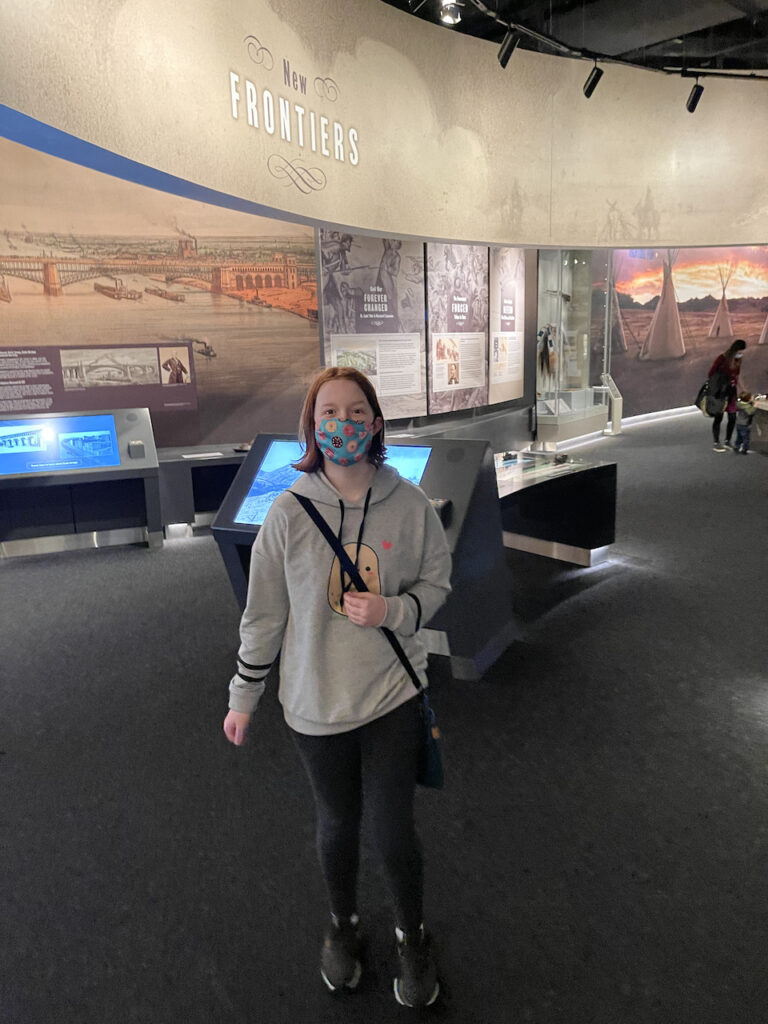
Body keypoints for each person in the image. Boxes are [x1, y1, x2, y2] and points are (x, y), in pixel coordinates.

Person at [222, 366, 452, 1008]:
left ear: (376, 423)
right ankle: (343, 925)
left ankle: (413, 933)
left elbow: (438, 583)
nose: (342, 424)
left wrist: (394, 612)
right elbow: (264, 614)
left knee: (392, 828)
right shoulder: (288, 514)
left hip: (390, 698)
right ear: (312, 425)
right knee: (337, 823)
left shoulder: (409, 505)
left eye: (356, 412)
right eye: (329, 412)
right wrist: (244, 696)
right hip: (313, 702)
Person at [708, 338, 746, 451]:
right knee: (718, 417)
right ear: (735, 349)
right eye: (739, 351)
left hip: (731, 392)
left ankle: (727, 441)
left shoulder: (738, 361)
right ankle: (716, 442)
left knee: (732, 417)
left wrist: (743, 390)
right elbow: (711, 373)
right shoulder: (722, 358)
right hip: (720, 392)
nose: (741, 354)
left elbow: (737, 376)